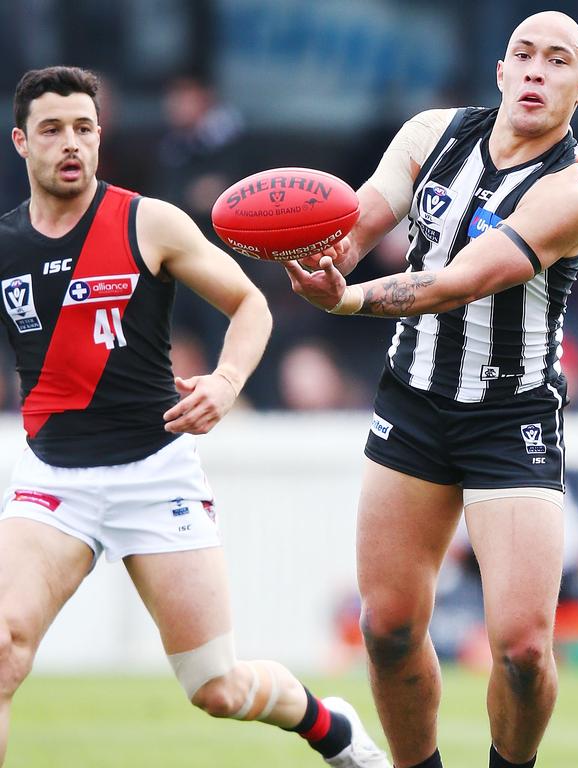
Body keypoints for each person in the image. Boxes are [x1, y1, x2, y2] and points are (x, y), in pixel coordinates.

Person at [0, 66, 387, 767]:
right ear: (22, 142)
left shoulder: (149, 221)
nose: (71, 144)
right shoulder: (6, 245)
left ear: (99, 136)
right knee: (2, 649)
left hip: (156, 473)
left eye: (84, 128)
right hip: (54, 479)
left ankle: (332, 727)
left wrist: (228, 379)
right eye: (53, 129)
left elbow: (251, 306)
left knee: (217, 686)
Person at [284, 11, 578, 768]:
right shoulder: (432, 133)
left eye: (557, 62)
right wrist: (329, 255)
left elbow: (460, 281)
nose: (534, 71)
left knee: (522, 649)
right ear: (499, 71)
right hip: (415, 401)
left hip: (512, 416)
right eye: (522, 55)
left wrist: (351, 300)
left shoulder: (574, 192)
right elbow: (361, 218)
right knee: (387, 627)